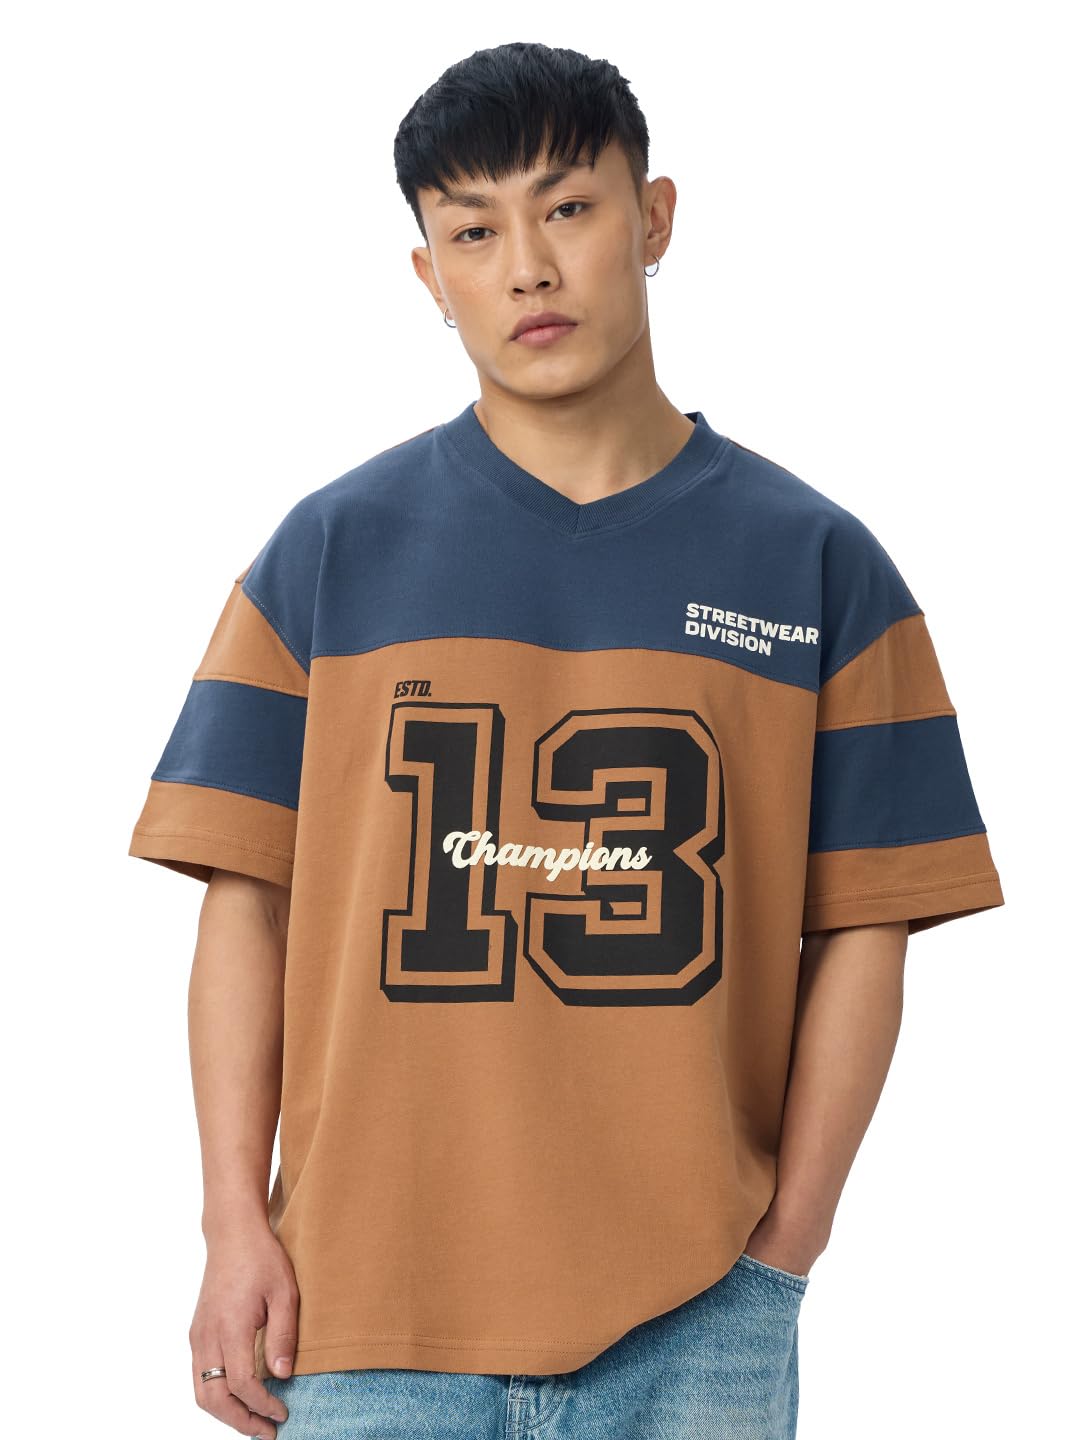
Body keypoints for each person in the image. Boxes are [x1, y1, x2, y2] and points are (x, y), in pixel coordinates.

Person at [127, 40, 1005, 1440]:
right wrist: (234, 1222)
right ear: (430, 275)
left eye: (569, 208)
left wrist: (783, 1252)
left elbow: (870, 926)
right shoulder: (326, 556)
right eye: (474, 232)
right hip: (362, 1312)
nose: (528, 267)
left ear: (653, 218)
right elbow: (247, 903)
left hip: (697, 1321)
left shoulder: (821, 568)